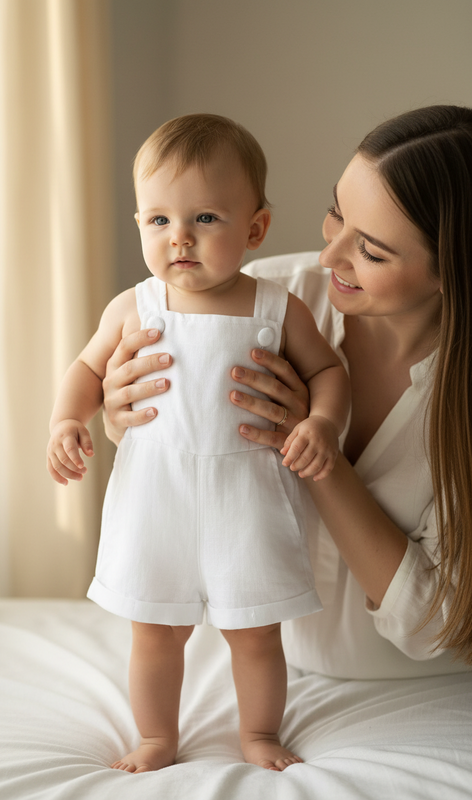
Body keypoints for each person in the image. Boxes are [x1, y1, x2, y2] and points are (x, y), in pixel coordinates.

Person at [102, 105, 472, 698]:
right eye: (336, 213)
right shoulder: (267, 301)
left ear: (452, 272)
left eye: (372, 252)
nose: (329, 257)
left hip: (407, 694)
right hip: (271, 660)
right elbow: (184, 439)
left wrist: (316, 451)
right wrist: (127, 419)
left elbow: (440, 625)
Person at [46, 114, 350, 773]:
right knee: (155, 632)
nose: (178, 238)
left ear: (255, 228)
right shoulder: (134, 307)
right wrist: (66, 419)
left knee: (255, 633)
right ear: (139, 225)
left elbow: (329, 372)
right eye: (158, 220)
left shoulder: (275, 308)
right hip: (155, 494)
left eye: (205, 219)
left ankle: (260, 735)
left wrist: (320, 422)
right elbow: (87, 370)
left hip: (246, 497)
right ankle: (157, 736)